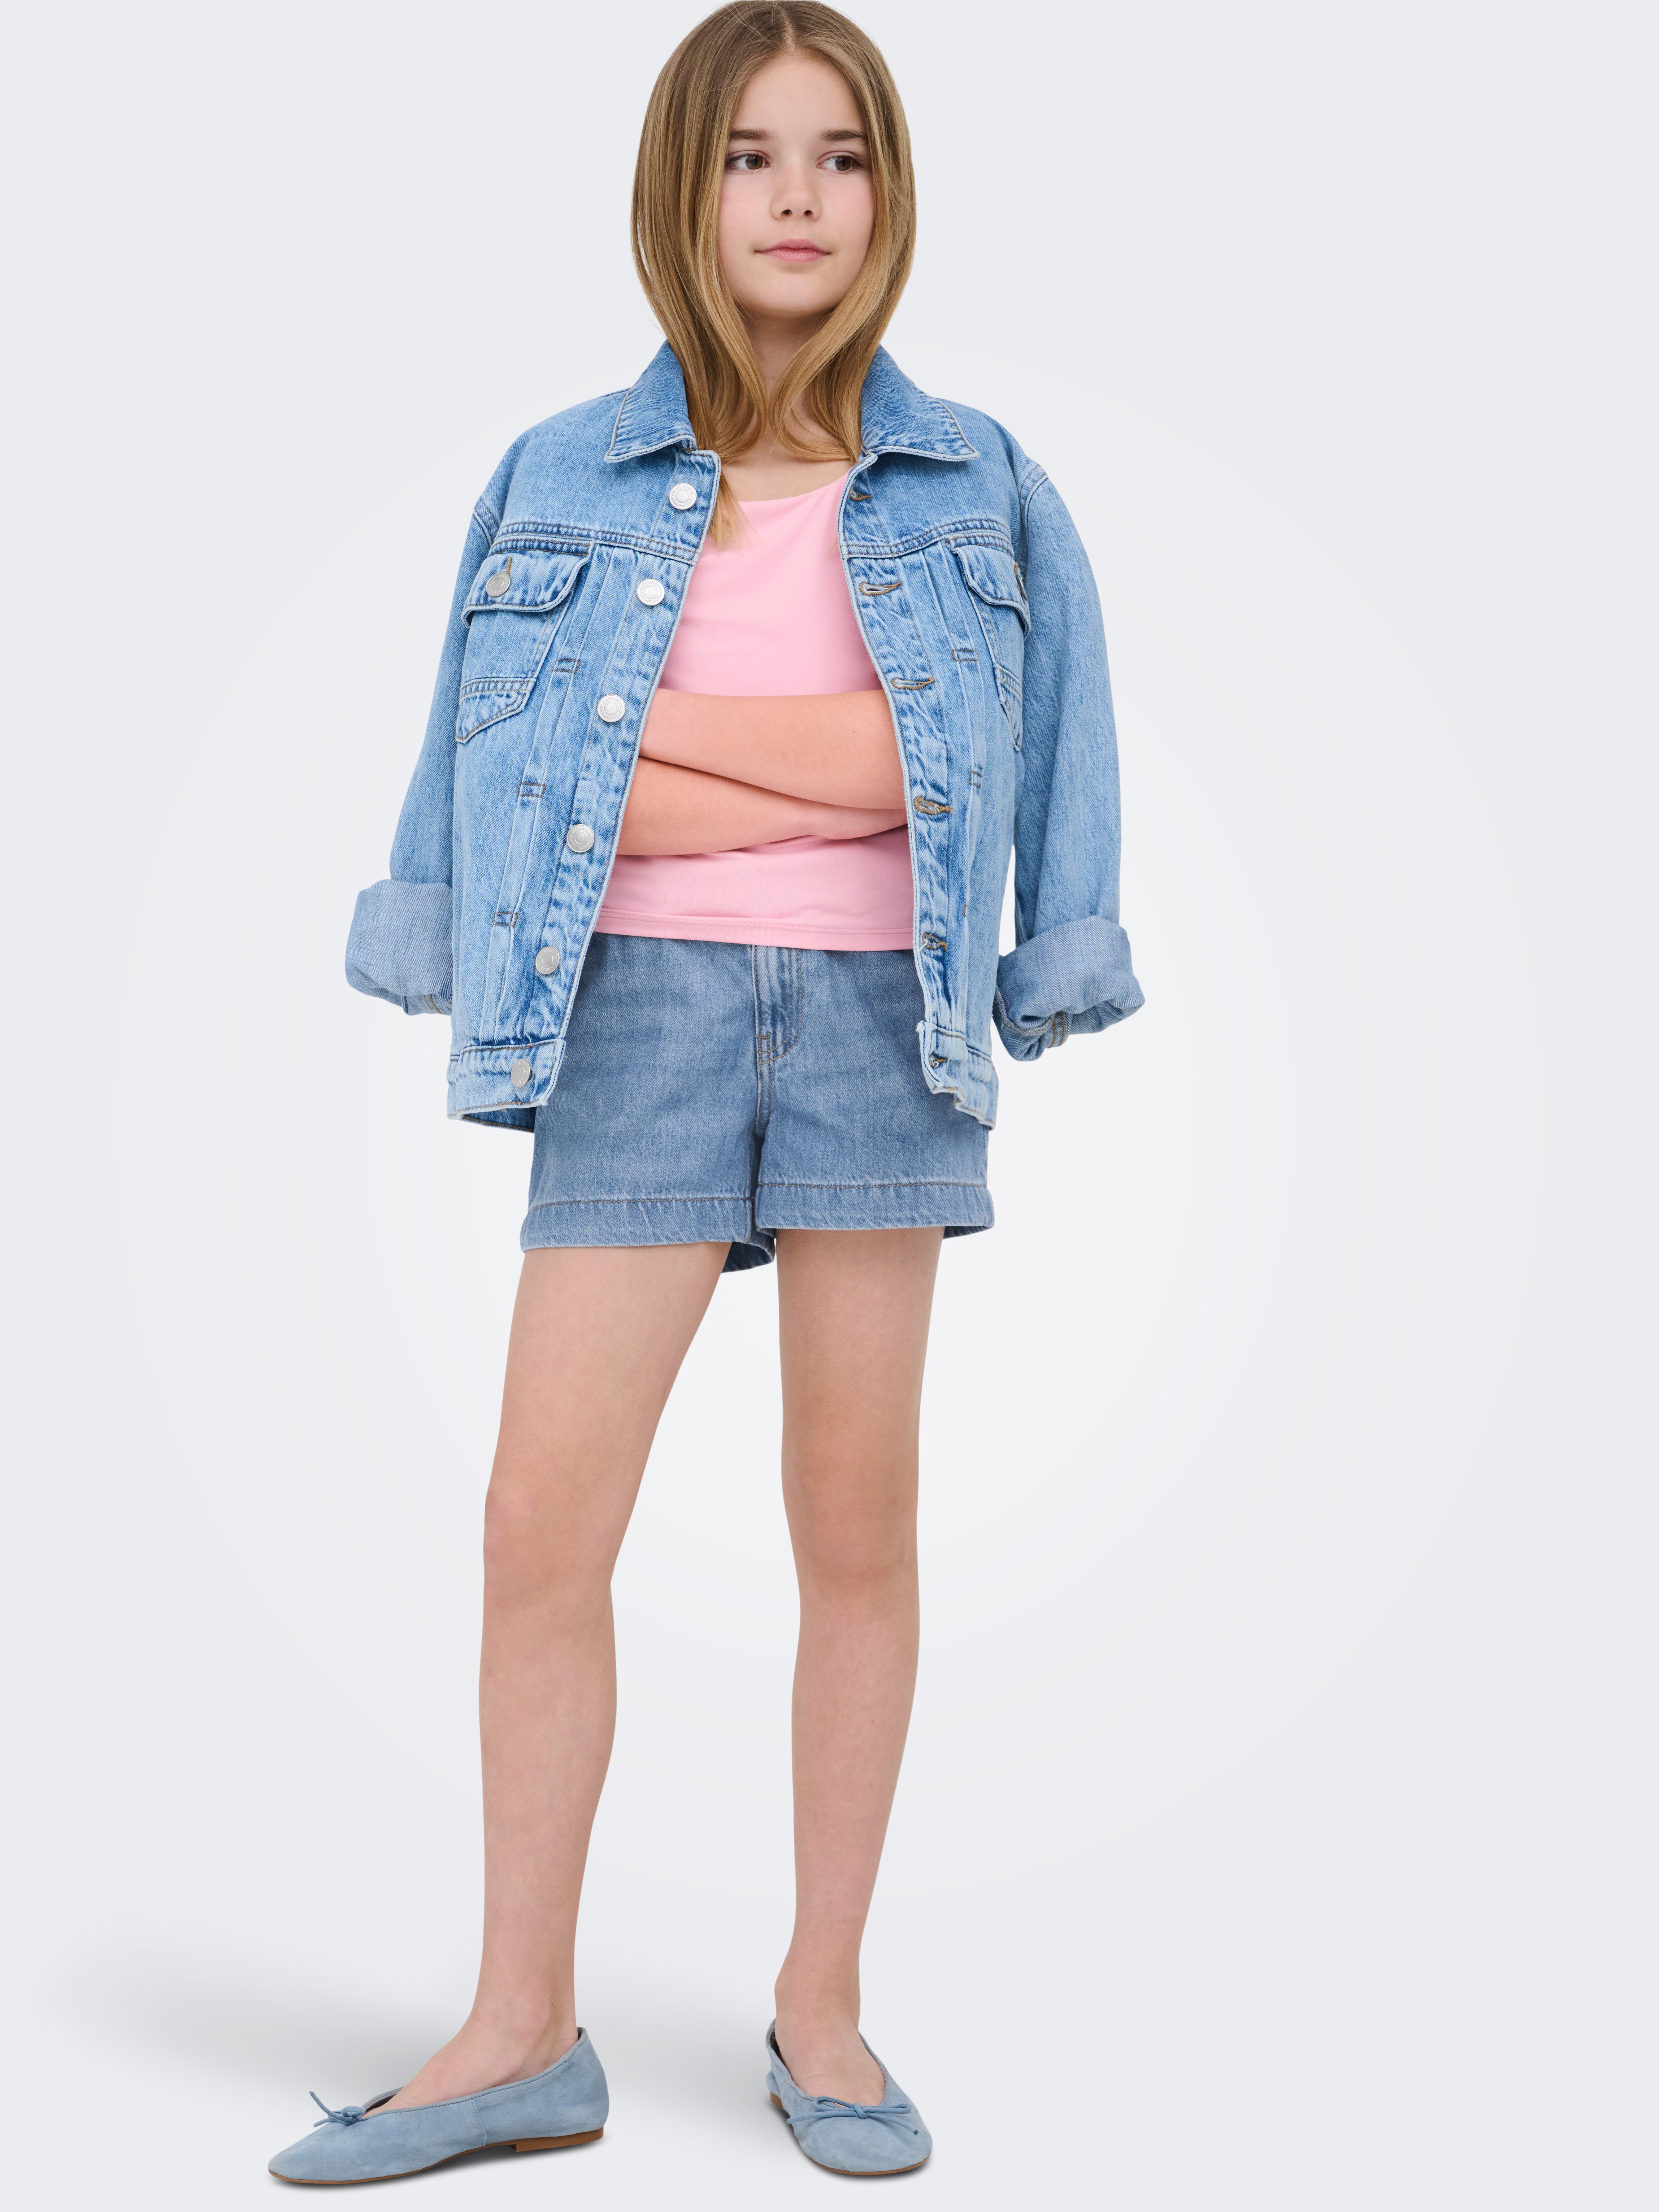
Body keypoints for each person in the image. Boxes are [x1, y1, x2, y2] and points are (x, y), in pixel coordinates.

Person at [269, 0, 1141, 2185]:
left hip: (879, 1025)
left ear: (889, 194)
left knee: (855, 1525)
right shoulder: (556, 477)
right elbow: (527, 797)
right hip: (635, 1019)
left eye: (840, 156)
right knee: (535, 1525)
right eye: (752, 156)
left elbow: (972, 776)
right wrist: (841, 768)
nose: (797, 199)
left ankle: (822, 2010)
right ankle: (519, 2029)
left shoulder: (981, 483)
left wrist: (650, 739)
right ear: (684, 189)